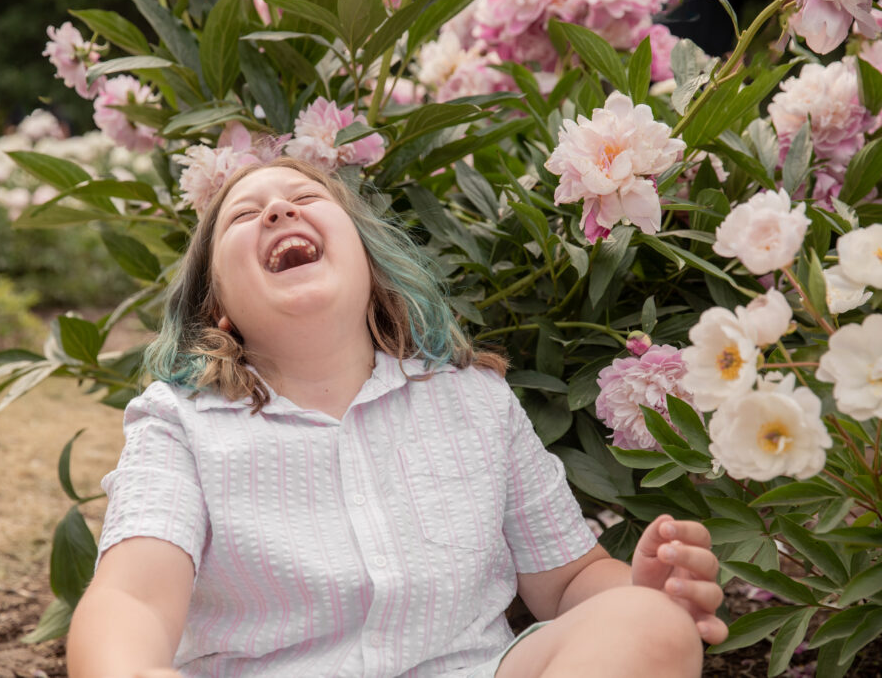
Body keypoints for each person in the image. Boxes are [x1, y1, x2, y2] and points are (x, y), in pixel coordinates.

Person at [67, 157, 727, 678]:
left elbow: (569, 578)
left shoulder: (474, 400)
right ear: (219, 309)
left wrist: (638, 587)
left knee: (650, 625)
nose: (276, 208)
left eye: (305, 198)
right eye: (243, 215)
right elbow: (134, 595)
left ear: (370, 265)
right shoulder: (181, 422)